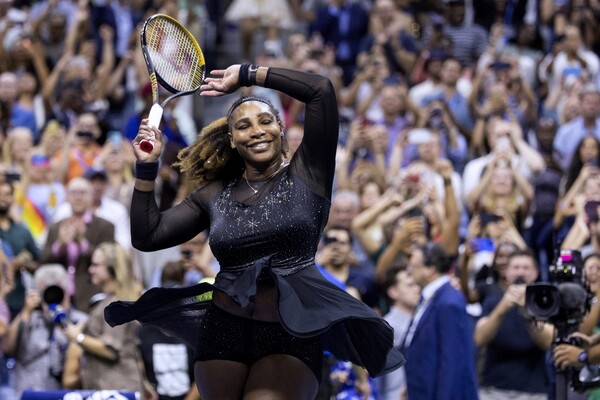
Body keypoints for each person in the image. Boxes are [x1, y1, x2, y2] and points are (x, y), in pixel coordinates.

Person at [104, 63, 404, 399]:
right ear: (232, 140)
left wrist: (247, 75)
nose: (257, 130)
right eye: (244, 126)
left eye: (265, 121)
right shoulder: (214, 195)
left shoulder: (308, 175)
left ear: (280, 127)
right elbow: (148, 236)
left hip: (289, 335)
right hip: (222, 332)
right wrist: (146, 167)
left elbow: (320, 89)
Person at [403, 242, 478, 400]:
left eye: (413, 265)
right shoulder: (431, 297)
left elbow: (452, 361)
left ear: (430, 269)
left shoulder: (449, 302)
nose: (409, 270)